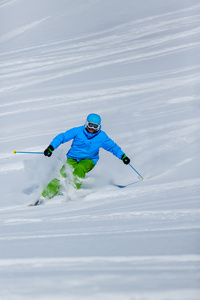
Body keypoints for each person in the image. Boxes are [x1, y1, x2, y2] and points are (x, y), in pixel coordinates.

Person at [40, 113, 130, 201]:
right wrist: (51, 148)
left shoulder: (102, 137)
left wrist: (123, 156)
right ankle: (45, 195)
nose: (92, 128)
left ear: (99, 127)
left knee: (80, 168)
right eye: (90, 125)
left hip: (89, 160)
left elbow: (113, 147)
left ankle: (73, 191)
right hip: (72, 158)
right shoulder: (78, 131)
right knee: (63, 174)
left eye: (95, 126)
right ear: (86, 123)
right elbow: (62, 137)